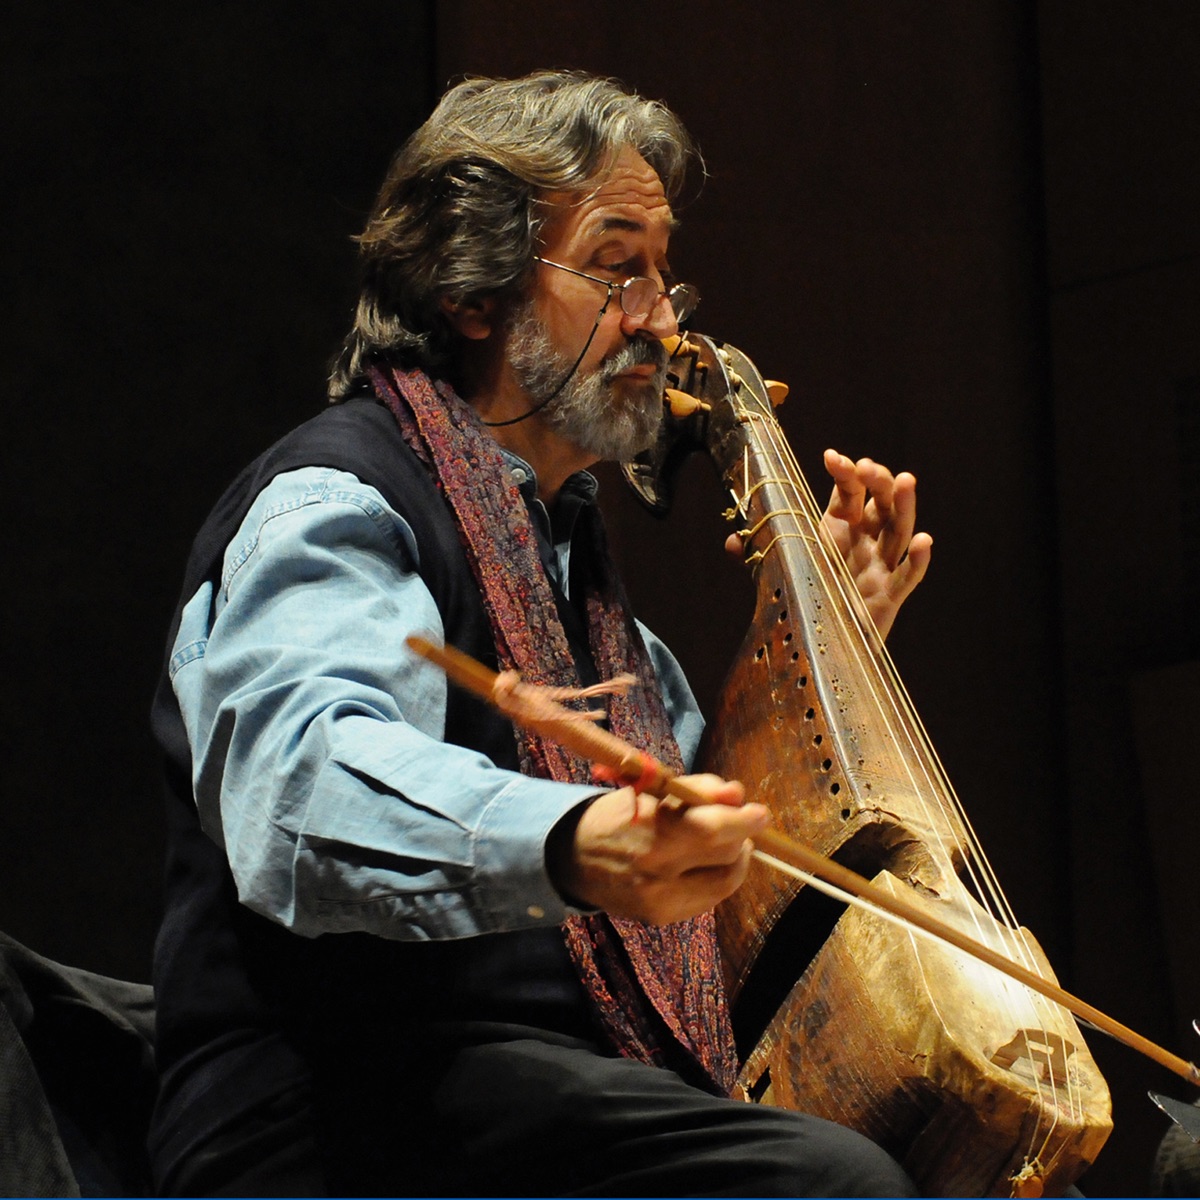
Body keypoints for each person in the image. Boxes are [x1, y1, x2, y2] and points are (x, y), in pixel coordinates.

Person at [149, 70, 932, 1197]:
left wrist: (822, 647)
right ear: (472, 294)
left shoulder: (589, 599)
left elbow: (723, 850)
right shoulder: (335, 504)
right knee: (829, 1186)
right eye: (618, 268)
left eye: (665, 276)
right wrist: (572, 840)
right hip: (325, 1112)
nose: (660, 322)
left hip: (537, 1102)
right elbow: (304, 782)